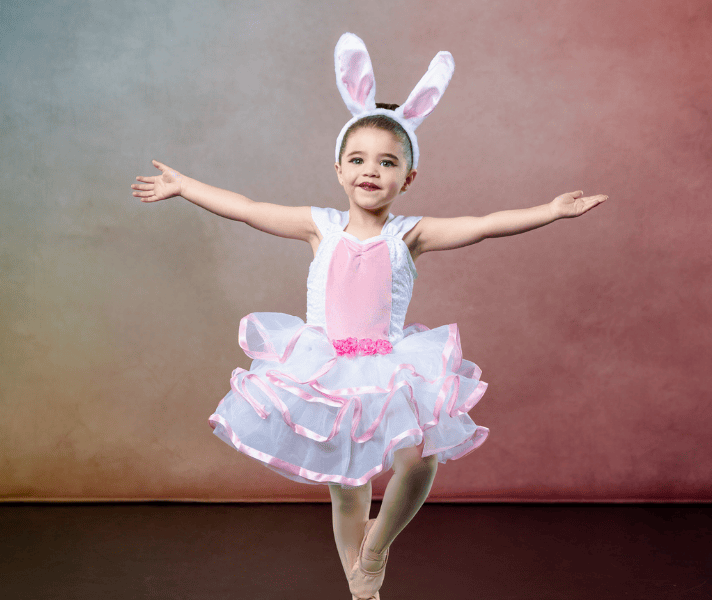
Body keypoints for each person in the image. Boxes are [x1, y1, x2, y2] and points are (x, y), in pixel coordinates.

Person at [131, 32, 606, 600]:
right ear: (338, 170)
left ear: (407, 179)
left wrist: (550, 212)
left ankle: (376, 549)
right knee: (347, 488)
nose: (370, 171)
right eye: (357, 160)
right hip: (326, 367)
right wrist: (185, 187)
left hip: (390, 366)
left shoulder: (412, 234)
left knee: (421, 461)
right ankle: (362, 589)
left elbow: (483, 223)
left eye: (387, 162)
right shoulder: (320, 227)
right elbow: (250, 210)